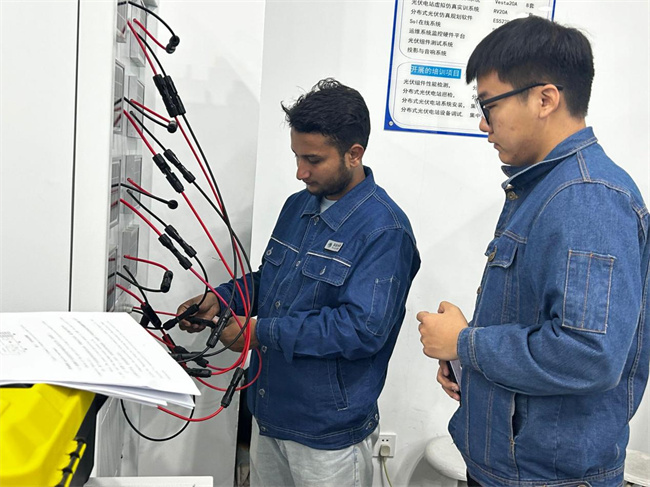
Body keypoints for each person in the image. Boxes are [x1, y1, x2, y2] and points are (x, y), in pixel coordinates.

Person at [416, 16, 649, 487]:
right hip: (514, 468)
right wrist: (469, 361)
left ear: (545, 99)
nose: (483, 123)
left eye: (489, 105)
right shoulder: (548, 189)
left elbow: (589, 354)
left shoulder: (587, 197)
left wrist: (465, 343)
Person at [178, 78, 420, 486]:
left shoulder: (385, 231)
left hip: (328, 437)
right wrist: (222, 299)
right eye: (296, 156)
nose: (299, 172)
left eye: (313, 159)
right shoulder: (298, 207)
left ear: (354, 154)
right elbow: (271, 281)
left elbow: (361, 329)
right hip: (270, 413)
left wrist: (258, 332)